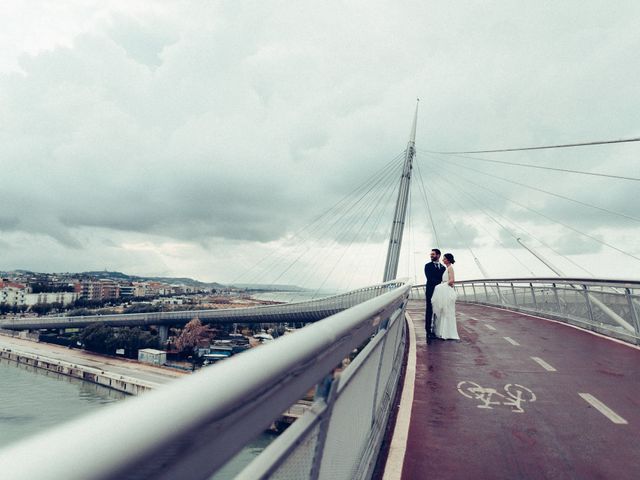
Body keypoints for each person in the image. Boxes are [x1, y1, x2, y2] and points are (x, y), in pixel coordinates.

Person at [432, 253, 460, 340]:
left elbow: (452, 280)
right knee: (444, 310)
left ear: (448, 260)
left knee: (447, 310)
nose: (443, 260)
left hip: (447, 291)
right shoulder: (447, 268)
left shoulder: (450, 268)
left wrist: (442, 285)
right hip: (445, 290)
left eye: (444, 258)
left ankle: (448, 333)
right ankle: (443, 332)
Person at [424, 248, 445, 342]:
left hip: (439, 292)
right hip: (430, 291)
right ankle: (428, 331)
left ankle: (435, 330)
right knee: (429, 310)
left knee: (438, 310)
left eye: (433, 254)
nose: (431, 256)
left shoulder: (443, 268)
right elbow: (429, 278)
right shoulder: (427, 266)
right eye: (431, 254)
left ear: (438, 255)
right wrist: (439, 284)